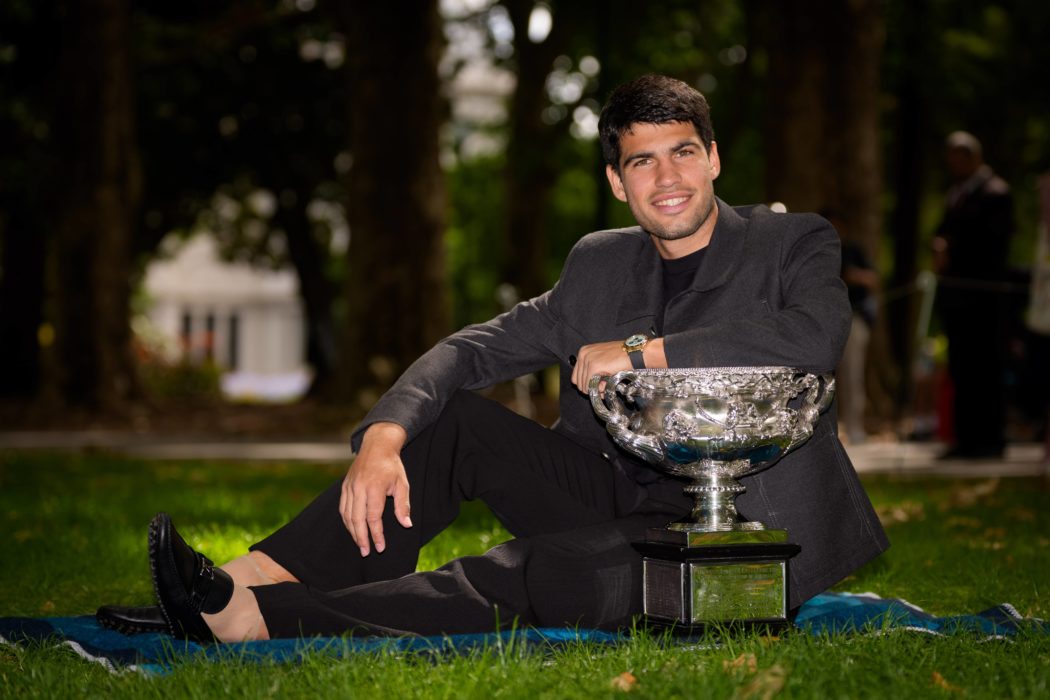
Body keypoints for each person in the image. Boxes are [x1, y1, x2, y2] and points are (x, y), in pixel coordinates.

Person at [97, 75, 889, 642]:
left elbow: (813, 337)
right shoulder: (601, 262)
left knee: (539, 571)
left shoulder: (794, 241)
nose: (668, 177)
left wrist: (645, 351)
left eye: (683, 153)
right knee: (453, 428)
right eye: (643, 162)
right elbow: (475, 349)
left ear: (714, 158)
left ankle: (258, 620)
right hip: (615, 490)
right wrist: (383, 437)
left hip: (743, 529)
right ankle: (248, 580)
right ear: (618, 182)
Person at [933, 131, 1015, 459]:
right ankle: (965, 439)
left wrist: (952, 248)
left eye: (960, 158)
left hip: (985, 300)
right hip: (958, 300)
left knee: (986, 368)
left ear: (974, 157)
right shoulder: (956, 193)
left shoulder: (996, 193)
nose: (955, 165)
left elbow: (995, 243)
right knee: (962, 368)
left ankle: (991, 439)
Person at [821, 209, 879, 444]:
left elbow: (873, 279)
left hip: (854, 318)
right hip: (823, 323)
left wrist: (852, 275)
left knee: (853, 376)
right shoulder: (815, 252)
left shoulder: (853, 251)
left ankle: (855, 428)